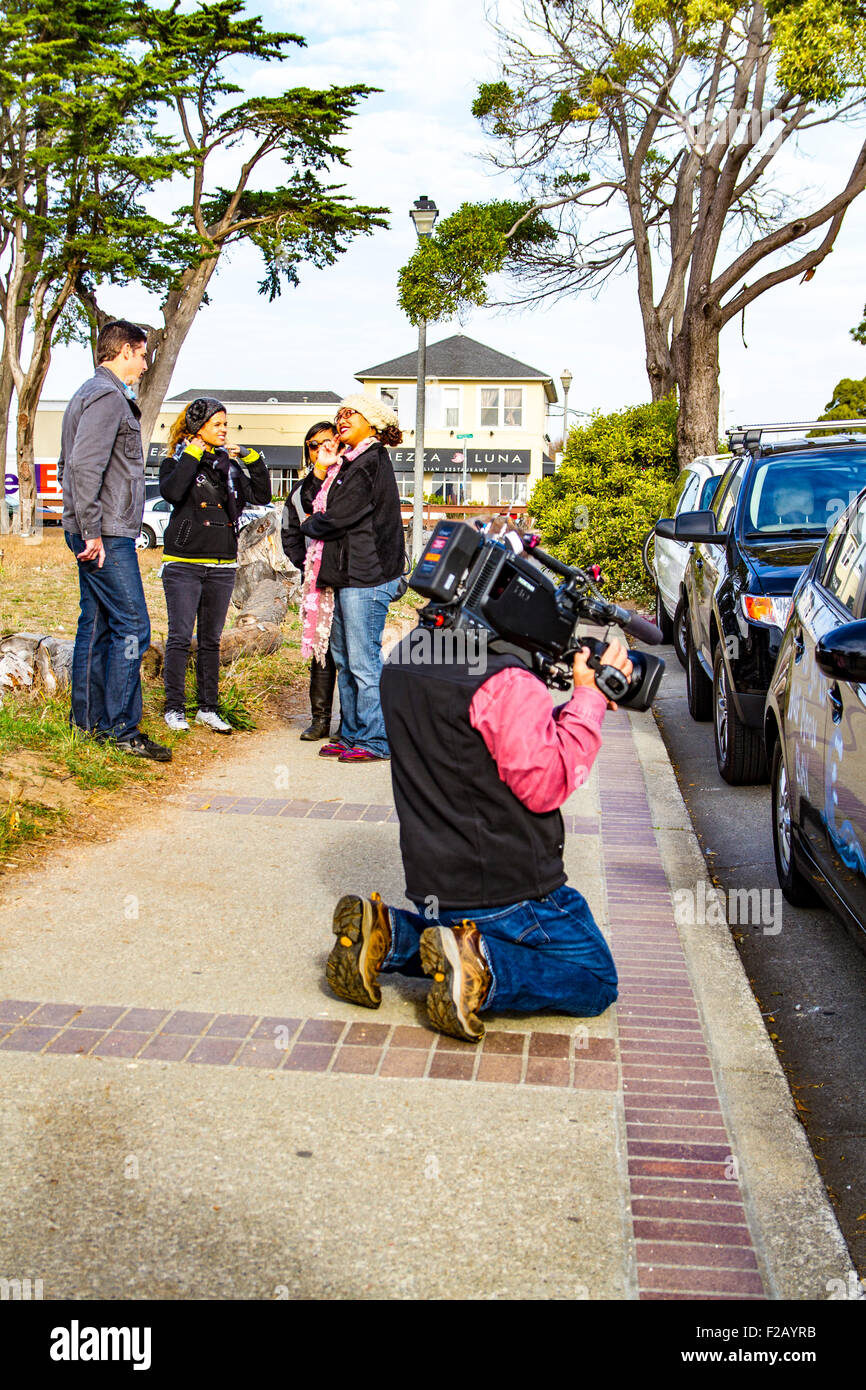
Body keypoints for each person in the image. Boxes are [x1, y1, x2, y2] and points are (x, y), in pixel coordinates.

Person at [325, 633, 633, 1042]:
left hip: (435, 886)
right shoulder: (507, 679)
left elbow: (490, 741)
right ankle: (481, 971)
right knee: (595, 979)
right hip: (512, 893)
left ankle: (390, 933)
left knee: (461, 933)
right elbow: (547, 783)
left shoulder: (409, 656)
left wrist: (574, 706)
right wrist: (589, 699)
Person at [59, 319, 170, 762]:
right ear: (125, 350)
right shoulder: (107, 397)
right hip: (105, 532)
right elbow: (84, 467)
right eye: (142, 355)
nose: (145, 365)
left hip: (98, 528)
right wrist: (90, 531)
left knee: (98, 623)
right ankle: (123, 728)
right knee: (133, 627)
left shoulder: (91, 392)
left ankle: (88, 723)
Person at [298, 394, 405, 763]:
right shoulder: (347, 463)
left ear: (371, 422)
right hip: (345, 574)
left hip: (367, 575)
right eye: (339, 414)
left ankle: (376, 739)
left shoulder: (370, 461)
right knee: (343, 658)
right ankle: (352, 732)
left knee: (362, 661)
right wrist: (322, 468)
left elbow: (335, 515)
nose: (342, 420)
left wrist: (309, 526)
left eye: (351, 414)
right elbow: (311, 499)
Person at [159, 397, 272, 733]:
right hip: (184, 562)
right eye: (218, 424)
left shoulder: (230, 466)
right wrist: (192, 454)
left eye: (227, 423)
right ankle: (174, 707)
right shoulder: (176, 461)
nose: (225, 430)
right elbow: (174, 491)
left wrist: (252, 458)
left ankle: (208, 707)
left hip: (222, 563)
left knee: (211, 640)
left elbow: (262, 495)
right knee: (180, 636)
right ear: (198, 427)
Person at [280, 421, 339, 740]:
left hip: (350, 578)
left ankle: (350, 723)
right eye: (313, 446)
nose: (320, 449)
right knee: (321, 650)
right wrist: (305, 566)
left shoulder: (349, 480)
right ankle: (320, 720)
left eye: (326, 442)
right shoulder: (304, 489)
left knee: (347, 651)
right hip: (317, 582)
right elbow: (290, 531)